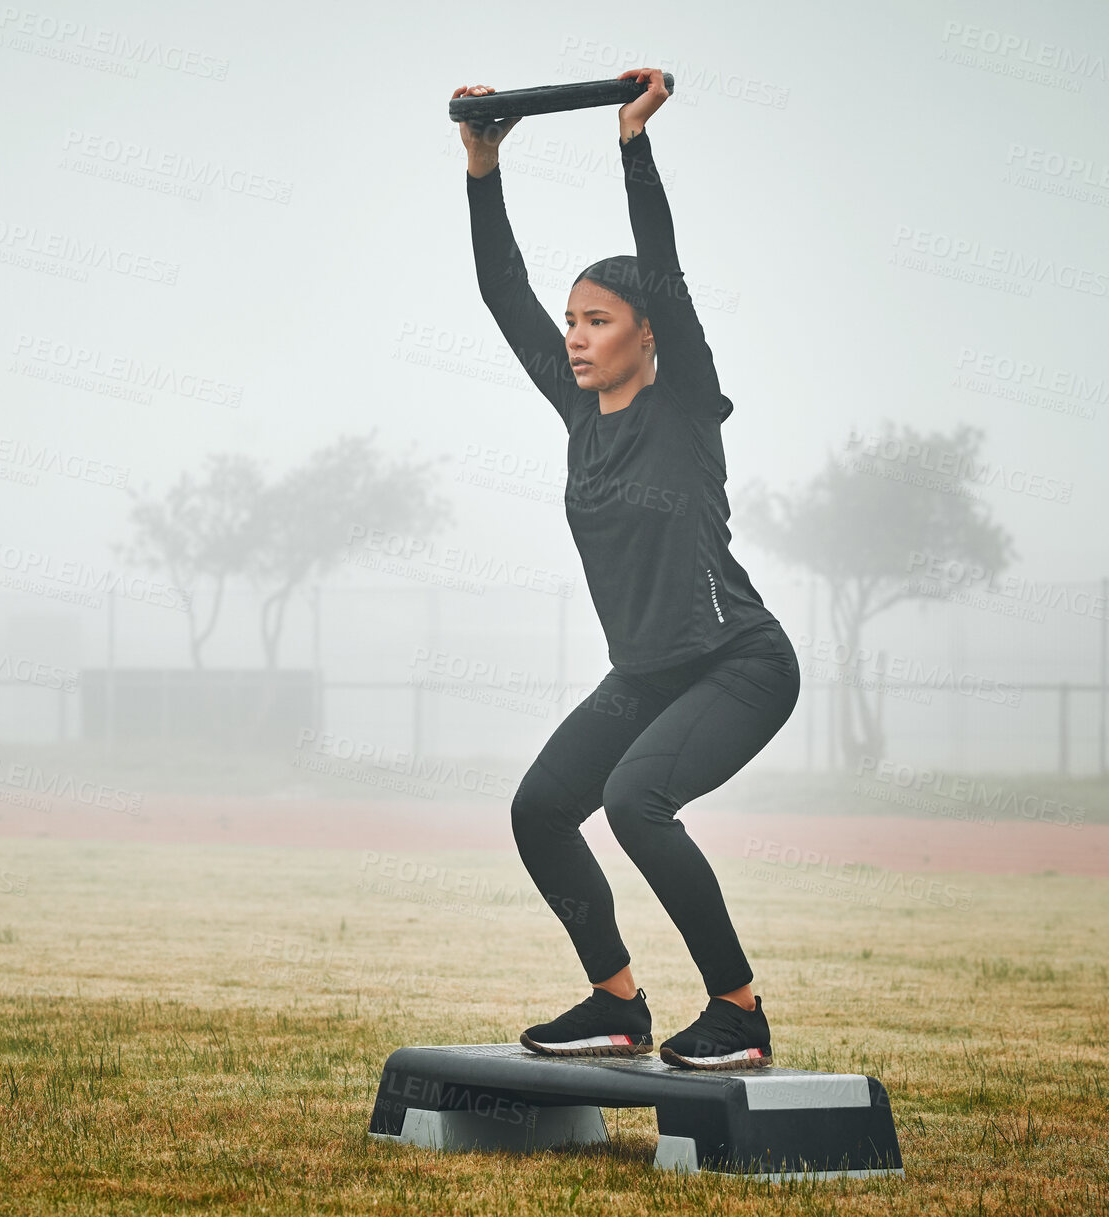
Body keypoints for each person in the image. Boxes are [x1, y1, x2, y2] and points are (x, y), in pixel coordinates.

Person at [454, 70, 800, 1070]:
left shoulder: (682, 404)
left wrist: (631, 143)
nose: (573, 335)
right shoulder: (577, 413)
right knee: (540, 809)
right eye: (572, 319)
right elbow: (498, 291)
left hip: (736, 661)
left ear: (648, 336)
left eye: (597, 319)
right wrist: (484, 164)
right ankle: (617, 1001)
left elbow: (665, 265)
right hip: (648, 670)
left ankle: (736, 1009)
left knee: (639, 803)